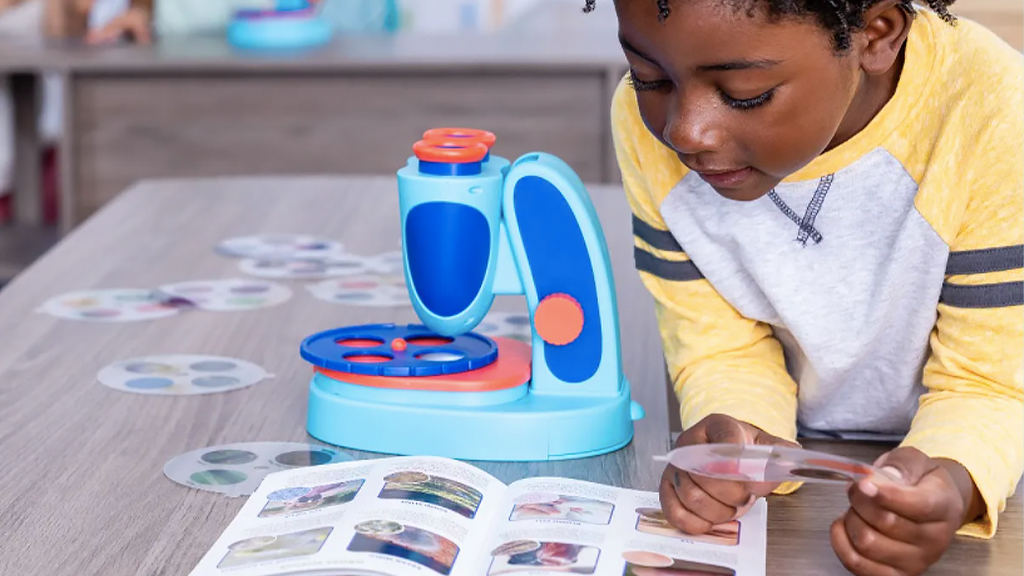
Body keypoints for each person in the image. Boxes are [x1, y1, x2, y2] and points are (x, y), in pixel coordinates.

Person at [592, 0, 1023, 574]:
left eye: (745, 93)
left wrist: (953, 478)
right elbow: (721, 346)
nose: (684, 132)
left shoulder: (994, 111)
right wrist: (737, 434)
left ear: (876, 35)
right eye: (650, 77)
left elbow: (990, 383)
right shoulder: (647, 129)